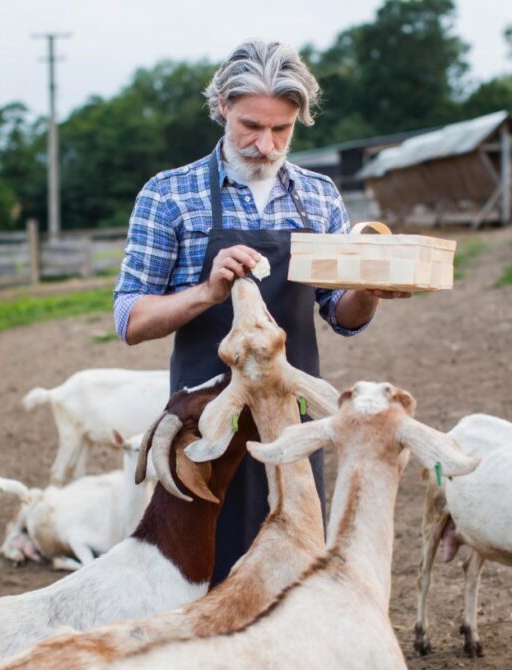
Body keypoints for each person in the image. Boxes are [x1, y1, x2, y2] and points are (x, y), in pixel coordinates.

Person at [113, 39, 408, 584]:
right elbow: (129, 318)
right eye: (251, 125)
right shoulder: (169, 195)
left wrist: (369, 290)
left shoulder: (319, 196)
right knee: (205, 575)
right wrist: (207, 291)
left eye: (282, 130)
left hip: (292, 416)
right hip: (206, 420)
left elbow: (339, 313)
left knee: (295, 566)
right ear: (222, 106)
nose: (266, 145)